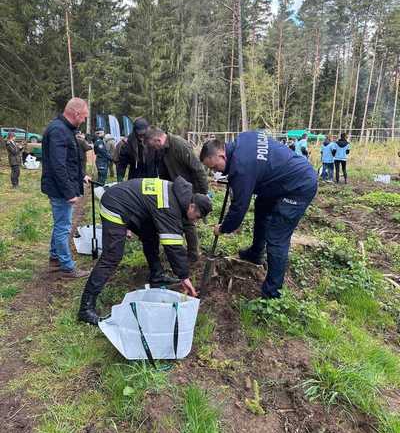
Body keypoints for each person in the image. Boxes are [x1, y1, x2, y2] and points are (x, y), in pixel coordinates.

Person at [78, 176, 212, 325]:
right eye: (197, 217)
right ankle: (86, 308)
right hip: (115, 205)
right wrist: (184, 276)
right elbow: (173, 245)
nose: (195, 221)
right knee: (112, 257)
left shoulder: (178, 195)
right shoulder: (170, 206)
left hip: (132, 206)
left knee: (150, 236)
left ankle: (157, 276)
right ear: (192, 206)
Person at [200, 132, 317, 300]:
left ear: (221, 155)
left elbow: (239, 208)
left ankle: (272, 293)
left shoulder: (241, 168)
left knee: (277, 237)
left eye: (214, 167)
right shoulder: (243, 139)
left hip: (298, 186)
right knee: (262, 206)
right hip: (278, 181)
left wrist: (224, 227)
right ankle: (256, 253)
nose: (214, 172)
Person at [41, 98, 91, 278]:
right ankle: (67, 267)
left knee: (60, 225)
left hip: (62, 186)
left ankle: (55, 259)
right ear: (76, 114)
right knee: (63, 227)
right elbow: (58, 165)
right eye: (84, 117)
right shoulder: (58, 131)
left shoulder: (65, 129)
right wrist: (69, 192)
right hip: (59, 189)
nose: (84, 120)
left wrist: (81, 175)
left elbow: (70, 159)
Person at [144, 126, 209, 262]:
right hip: (173, 189)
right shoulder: (162, 149)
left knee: (188, 222)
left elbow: (198, 170)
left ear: (158, 140)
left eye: (153, 146)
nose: (153, 149)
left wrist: (202, 195)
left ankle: (192, 255)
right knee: (172, 220)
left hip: (188, 189)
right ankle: (176, 251)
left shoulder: (179, 145)